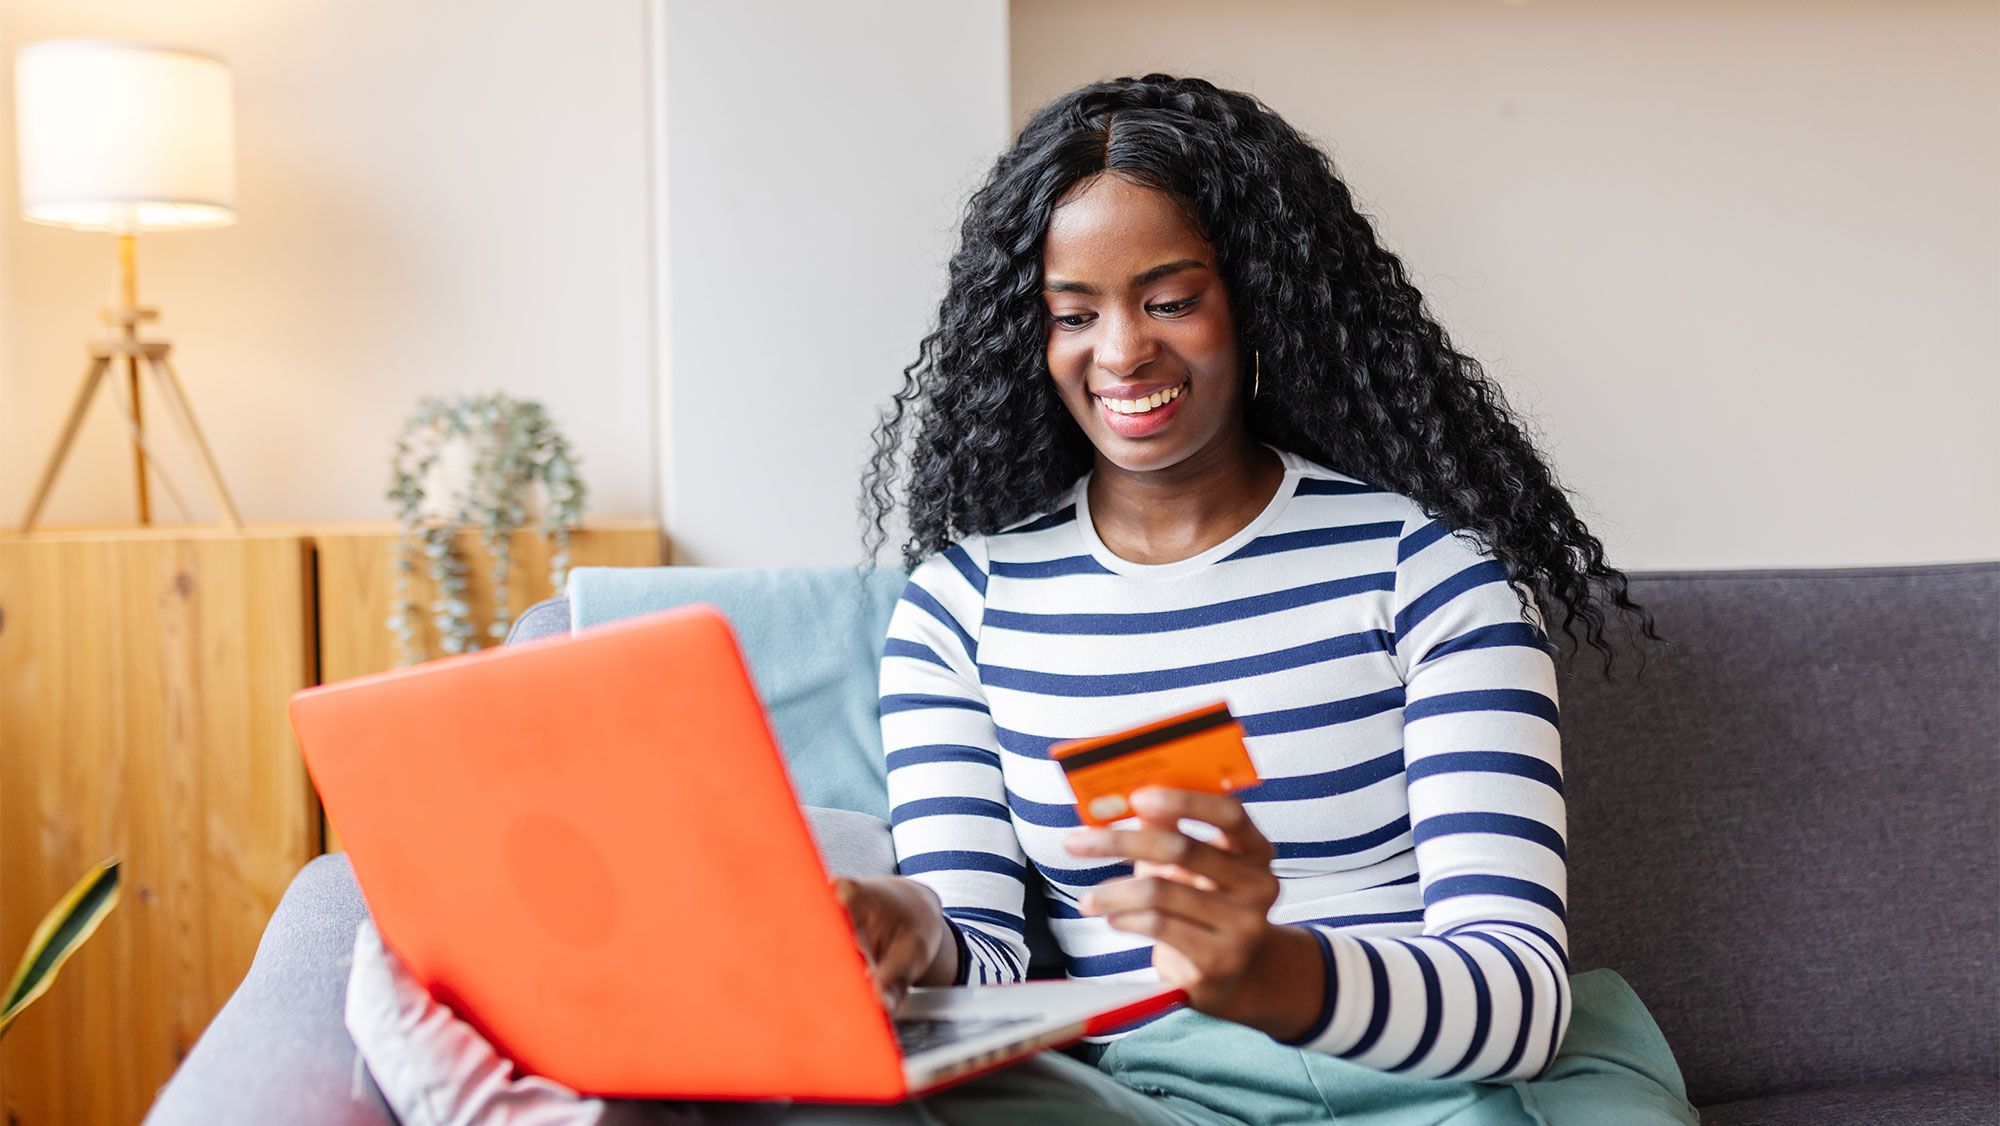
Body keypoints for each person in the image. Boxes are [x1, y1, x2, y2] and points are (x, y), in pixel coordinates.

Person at [345, 75, 1699, 1125]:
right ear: (1029, 335)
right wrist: (913, 931)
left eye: (1171, 298)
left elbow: (1516, 994)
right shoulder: (968, 609)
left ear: (1261, 303)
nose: (1123, 351)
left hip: (1443, 1085)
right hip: (1140, 1089)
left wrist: (1271, 969)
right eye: (1075, 311)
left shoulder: (1429, 578)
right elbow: (991, 952)